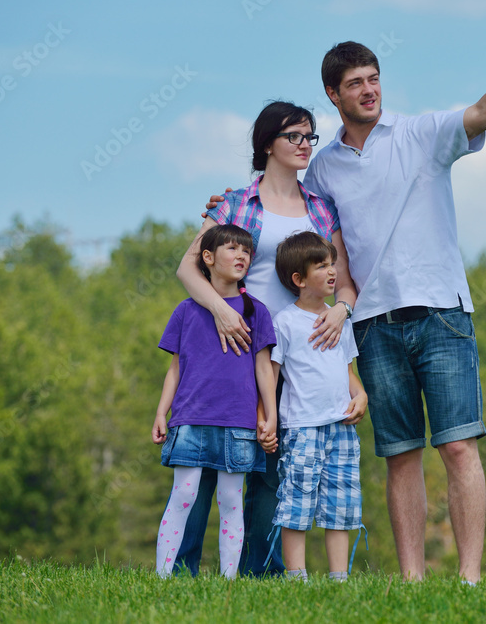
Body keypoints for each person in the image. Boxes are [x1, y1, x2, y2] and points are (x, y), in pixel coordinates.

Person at [207, 38, 486, 583]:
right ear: (333, 94)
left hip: (441, 312)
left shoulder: (421, 134)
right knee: (400, 455)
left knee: (460, 447)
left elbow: (483, 110)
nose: (368, 89)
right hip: (371, 326)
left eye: (373, 78)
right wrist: (226, 210)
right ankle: (412, 583)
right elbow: (283, 204)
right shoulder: (323, 169)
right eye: (355, 83)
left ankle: (468, 582)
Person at [173, 101, 359, 577]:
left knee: (274, 467)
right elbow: (188, 268)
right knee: (213, 462)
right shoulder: (234, 203)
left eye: (308, 137)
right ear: (267, 144)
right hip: (236, 350)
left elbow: (345, 282)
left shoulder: (321, 208)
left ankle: (262, 573)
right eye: (293, 136)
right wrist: (221, 314)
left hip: (300, 357)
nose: (303, 146)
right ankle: (181, 570)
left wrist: (341, 312)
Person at [152, 223, 278, 579]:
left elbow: (264, 370)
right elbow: (175, 368)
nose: (241, 255)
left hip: (238, 424)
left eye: (246, 251)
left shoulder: (258, 312)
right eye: (231, 249)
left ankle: (228, 581)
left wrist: (269, 416)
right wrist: (162, 412)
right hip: (189, 420)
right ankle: (163, 577)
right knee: (183, 495)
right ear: (207, 258)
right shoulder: (186, 311)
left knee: (231, 501)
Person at [269, 231, 368, 581]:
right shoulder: (284, 322)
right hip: (303, 427)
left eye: (332, 264)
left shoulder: (341, 321)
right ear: (298, 279)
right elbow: (271, 374)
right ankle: (296, 577)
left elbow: (348, 372)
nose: (332, 272)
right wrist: (266, 416)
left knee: (340, 504)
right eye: (321, 266)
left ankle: (339, 579)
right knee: (296, 503)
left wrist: (362, 395)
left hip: (342, 427)